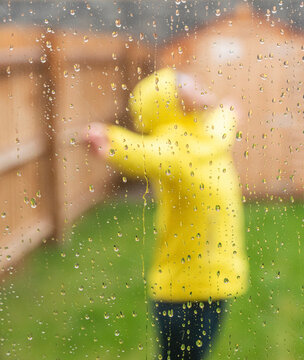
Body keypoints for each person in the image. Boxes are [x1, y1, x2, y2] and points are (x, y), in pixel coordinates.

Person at [86, 68, 249, 359]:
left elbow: (223, 125)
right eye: (181, 83)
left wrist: (228, 109)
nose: (193, 81)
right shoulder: (173, 146)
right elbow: (143, 153)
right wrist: (110, 141)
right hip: (183, 292)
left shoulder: (206, 136)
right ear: (168, 102)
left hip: (216, 280)